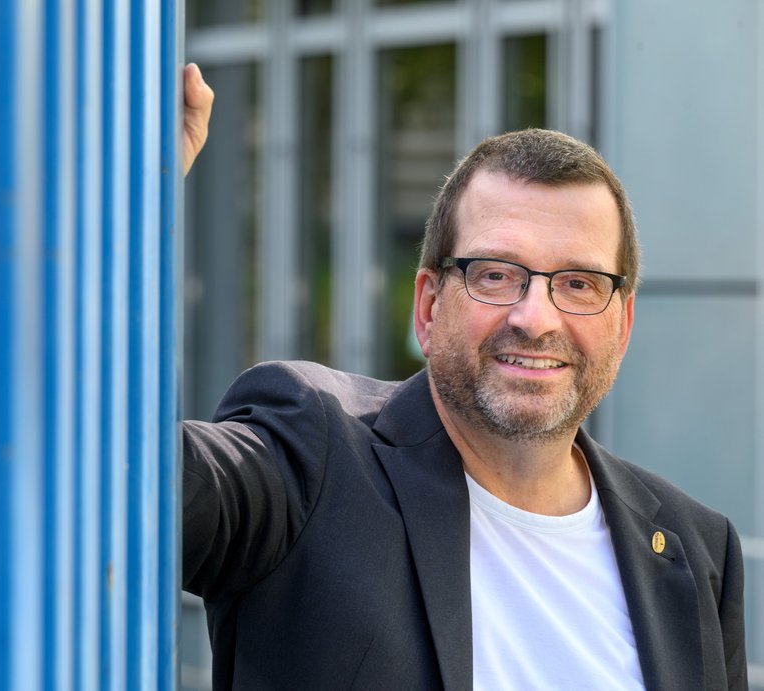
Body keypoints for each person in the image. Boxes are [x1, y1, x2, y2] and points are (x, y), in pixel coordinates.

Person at [179, 64, 747, 690]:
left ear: (623, 323)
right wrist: (124, 193)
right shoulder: (309, 456)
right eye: (496, 275)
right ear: (428, 306)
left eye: (579, 284)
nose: (536, 319)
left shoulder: (697, 549)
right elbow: (126, 483)